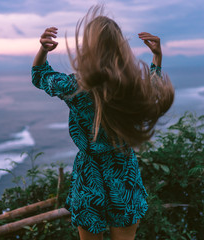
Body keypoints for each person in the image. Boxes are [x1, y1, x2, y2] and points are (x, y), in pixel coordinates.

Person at [32, 5, 174, 240]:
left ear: (88, 47)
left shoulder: (75, 86)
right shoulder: (131, 87)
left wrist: (43, 50)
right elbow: (154, 90)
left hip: (89, 174)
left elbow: (40, 76)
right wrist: (157, 58)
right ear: (120, 46)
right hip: (123, 171)